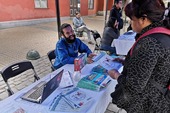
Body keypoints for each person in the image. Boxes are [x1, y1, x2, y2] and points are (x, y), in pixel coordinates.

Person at [108, 0, 170, 112]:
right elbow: (151, 65)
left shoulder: (149, 43)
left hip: (149, 104)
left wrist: (116, 75)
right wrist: (125, 61)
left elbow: (134, 85)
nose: (131, 23)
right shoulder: (162, 33)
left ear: (143, 19)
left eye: (132, 19)